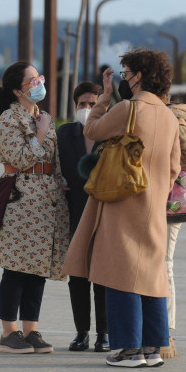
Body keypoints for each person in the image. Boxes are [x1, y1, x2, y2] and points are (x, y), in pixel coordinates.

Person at [63, 49, 181, 368]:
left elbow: (91, 130)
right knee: (151, 274)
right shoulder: (169, 116)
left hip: (121, 200)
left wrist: (104, 96)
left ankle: (129, 350)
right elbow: (173, 167)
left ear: (138, 75)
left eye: (125, 74)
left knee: (119, 272)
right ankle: (153, 348)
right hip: (153, 204)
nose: (123, 79)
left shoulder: (129, 108)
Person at [0, 62, 70, 354]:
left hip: (47, 201)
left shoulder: (43, 116)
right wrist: (41, 134)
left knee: (37, 269)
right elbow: (20, 159)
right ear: (16, 90)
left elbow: (54, 162)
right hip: (22, 199)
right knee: (16, 268)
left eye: (39, 78)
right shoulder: (8, 120)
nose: (39, 84)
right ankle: (9, 332)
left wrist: (61, 185)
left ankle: (30, 329)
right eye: (32, 81)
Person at [56, 81, 109, 353]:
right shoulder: (64, 134)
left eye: (92, 103)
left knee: (102, 276)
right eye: (82, 104)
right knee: (77, 275)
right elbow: (53, 166)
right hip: (74, 213)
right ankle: (81, 332)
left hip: (104, 213)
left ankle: (104, 333)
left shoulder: (112, 134)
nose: (86, 109)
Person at [163, 98, 186, 359]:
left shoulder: (174, 117)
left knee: (164, 262)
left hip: (169, 202)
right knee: (163, 262)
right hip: (164, 201)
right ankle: (163, 330)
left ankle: (166, 331)